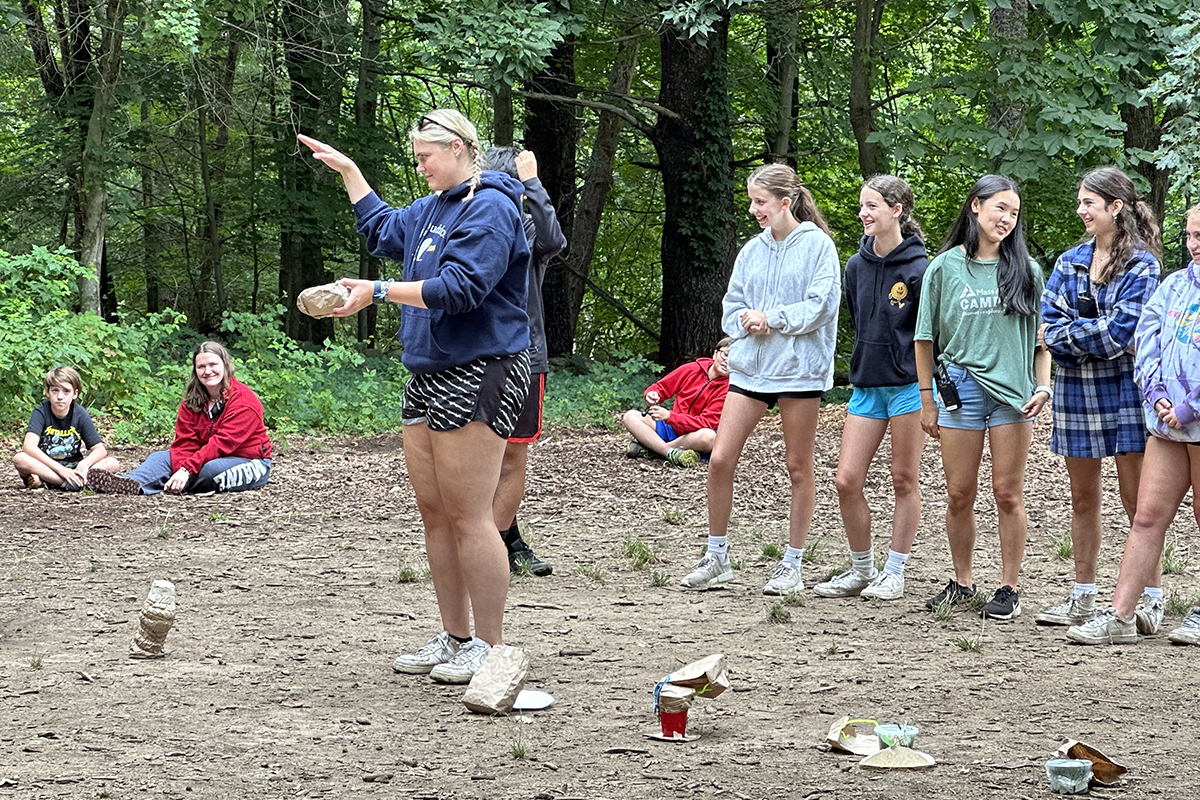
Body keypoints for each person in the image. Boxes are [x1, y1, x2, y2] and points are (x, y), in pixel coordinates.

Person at [297, 109, 531, 684]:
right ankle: (455, 638)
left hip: (481, 369)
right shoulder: (431, 208)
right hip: (426, 370)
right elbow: (382, 229)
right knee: (435, 512)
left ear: (457, 147)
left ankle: (493, 650)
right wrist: (350, 172)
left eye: (426, 155)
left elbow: (461, 288)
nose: (419, 165)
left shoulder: (494, 207)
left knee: (471, 515)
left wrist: (376, 291)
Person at [680, 163, 841, 595]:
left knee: (797, 466)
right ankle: (717, 557)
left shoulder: (819, 247)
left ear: (785, 202)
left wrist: (773, 319)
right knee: (719, 458)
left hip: (798, 372)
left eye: (761, 202)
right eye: (752, 201)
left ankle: (792, 564)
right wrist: (742, 322)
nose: (753, 209)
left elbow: (822, 306)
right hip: (751, 369)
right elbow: (732, 304)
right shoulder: (751, 250)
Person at [914, 174, 1050, 620]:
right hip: (960, 393)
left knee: (1007, 492)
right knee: (959, 492)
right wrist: (927, 399)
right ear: (976, 206)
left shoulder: (1026, 270)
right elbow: (924, 339)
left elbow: (1039, 344)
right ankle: (962, 582)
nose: (1007, 219)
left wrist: (1042, 386)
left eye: (1014, 212)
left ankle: (1009, 587)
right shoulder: (943, 268)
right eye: (1000, 209)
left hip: (1012, 397)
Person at [1066, 204, 1200, 646]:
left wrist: (1189, 407)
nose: (1193, 245)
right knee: (1146, 517)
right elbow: (1146, 340)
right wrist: (1159, 396)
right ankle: (1122, 617)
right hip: (1167, 425)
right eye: (1189, 235)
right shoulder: (1174, 286)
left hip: (1194, 420)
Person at [1035, 167, 1163, 630]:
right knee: (1082, 498)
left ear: (1116, 207)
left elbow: (1122, 335)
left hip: (1129, 391)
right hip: (1074, 392)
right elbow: (1047, 327)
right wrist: (1083, 334)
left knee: (1137, 501)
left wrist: (1073, 335)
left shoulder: (1143, 265)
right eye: (1080, 202)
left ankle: (1150, 599)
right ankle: (1083, 597)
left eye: (1089, 202)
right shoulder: (1069, 260)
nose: (1081, 210)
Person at [814, 175, 928, 602]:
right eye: (862, 206)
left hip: (907, 388)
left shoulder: (921, 268)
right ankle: (862, 569)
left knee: (904, 479)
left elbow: (928, 334)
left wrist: (924, 387)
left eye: (872, 206)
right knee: (846, 480)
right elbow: (859, 320)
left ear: (897, 211)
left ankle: (895, 571)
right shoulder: (855, 266)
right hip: (866, 386)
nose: (864, 213)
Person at [483, 146, 567, 577]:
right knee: (479, 458)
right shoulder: (470, 225)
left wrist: (534, 183)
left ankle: (501, 545)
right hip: (472, 358)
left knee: (513, 456)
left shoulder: (529, 226)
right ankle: (495, 543)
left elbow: (555, 241)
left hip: (524, 357)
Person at [87, 342, 272, 496]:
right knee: (160, 458)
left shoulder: (244, 401)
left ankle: (168, 483)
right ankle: (129, 483)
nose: (208, 371)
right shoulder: (192, 401)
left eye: (213, 364)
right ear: (195, 371)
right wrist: (182, 466)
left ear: (225, 365)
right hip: (203, 456)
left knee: (210, 470)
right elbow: (185, 443)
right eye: (201, 367)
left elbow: (221, 444)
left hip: (249, 461)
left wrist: (186, 470)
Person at [621, 337, 732, 466]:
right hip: (671, 428)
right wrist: (652, 394)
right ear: (715, 353)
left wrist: (670, 416)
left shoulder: (729, 389)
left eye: (735, 360)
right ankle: (668, 452)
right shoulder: (692, 369)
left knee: (708, 437)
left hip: (693, 436)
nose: (728, 362)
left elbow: (706, 423)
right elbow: (662, 387)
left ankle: (656, 449)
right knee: (630, 416)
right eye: (726, 355)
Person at [13, 366, 120, 490]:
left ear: (75, 394)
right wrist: (61, 470)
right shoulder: (41, 412)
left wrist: (84, 465)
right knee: (20, 459)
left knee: (112, 463)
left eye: (66, 391)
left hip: (74, 467)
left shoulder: (80, 413)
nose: (60, 396)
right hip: (47, 467)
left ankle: (64, 480)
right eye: (55, 390)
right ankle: (69, 483)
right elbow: (29, 447)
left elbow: (100, 450)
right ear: (47, 392)